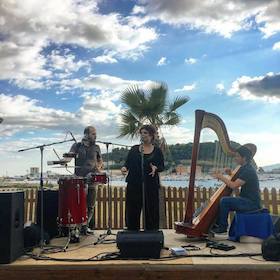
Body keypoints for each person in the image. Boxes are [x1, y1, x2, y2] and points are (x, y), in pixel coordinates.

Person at [121, 124, 164, 231]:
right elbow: (127, 163)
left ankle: (151, 234)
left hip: (150, 185)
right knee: (133, 210)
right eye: (141, 133)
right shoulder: (134, 149)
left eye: (145, 133)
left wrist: (156, 168)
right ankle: (132, 233)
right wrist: (124, 168)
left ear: (151, 135)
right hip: (134, 184)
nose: (143, 135)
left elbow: (162, 166)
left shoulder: (157, 151)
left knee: (151, 210)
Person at [211, 144, 261, 234]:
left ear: (244, 157)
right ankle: (216, 225)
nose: (235, 158)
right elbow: (238, 180)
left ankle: (222, 227)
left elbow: (234, 185)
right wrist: (230, 173)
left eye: (237, 156)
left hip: (251, 203)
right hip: (245, 200)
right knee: (221, 202)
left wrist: (221, 177)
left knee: (224, 201)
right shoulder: (244, 168)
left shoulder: (248, 170)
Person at [64, 126, 103, 235]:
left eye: (95, 133)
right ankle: (75, 229)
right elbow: (69, 156)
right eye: (93, 134)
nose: (96, 136)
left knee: (90, 205)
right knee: (78, 204)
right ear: (86, 134)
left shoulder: (97, 147)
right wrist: (64, 160)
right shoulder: (76, 146)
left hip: (92, 179)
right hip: (79, 180)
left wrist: (98, 168)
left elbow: (100, 161)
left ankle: (85, 227)